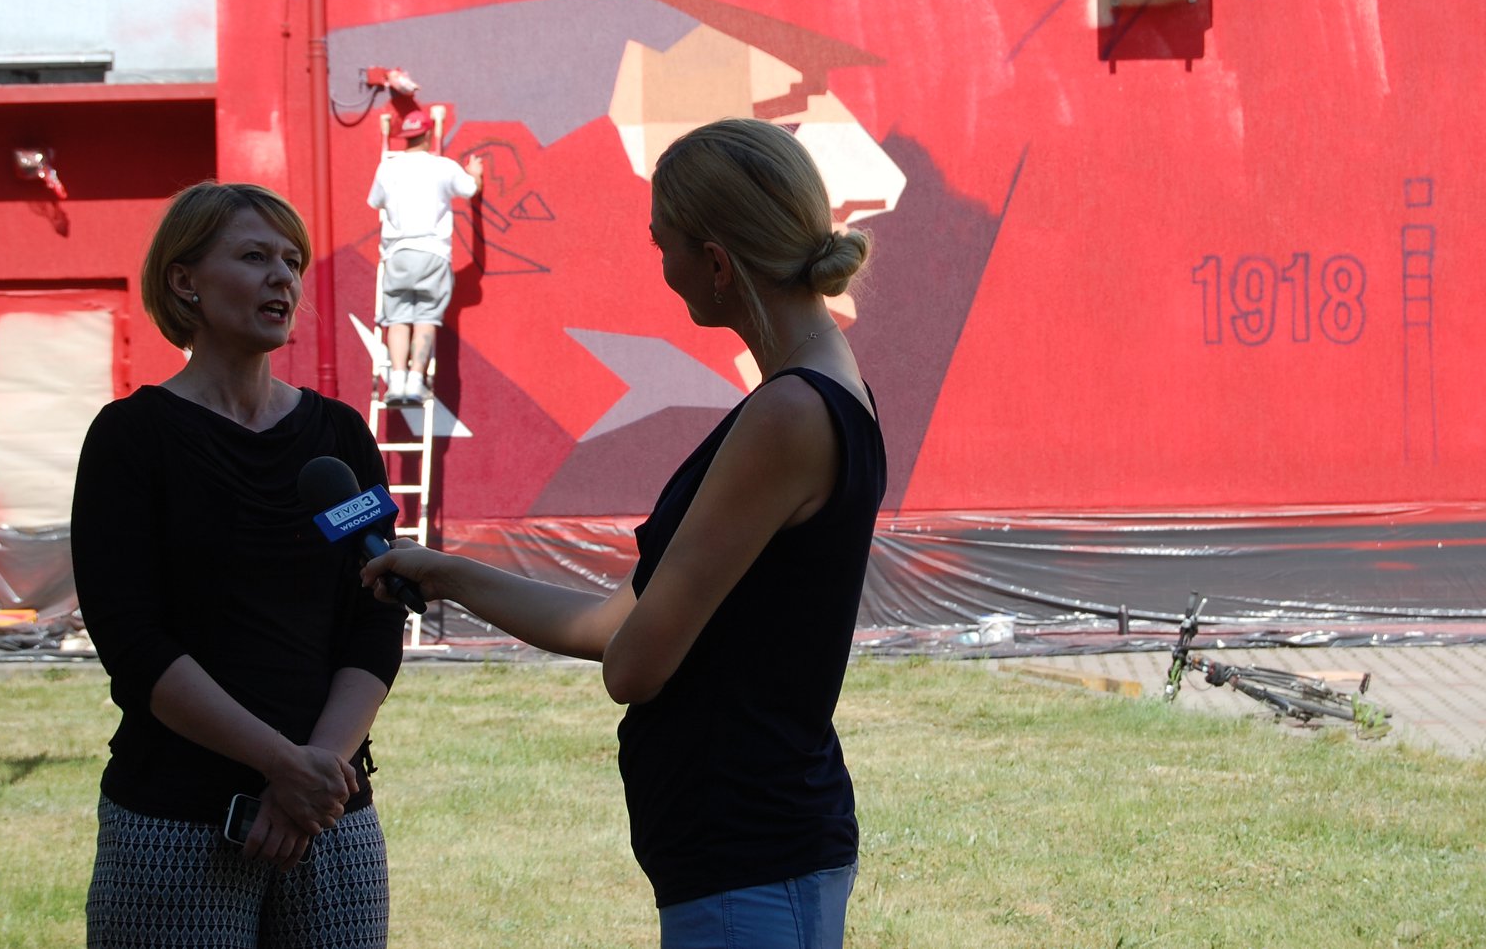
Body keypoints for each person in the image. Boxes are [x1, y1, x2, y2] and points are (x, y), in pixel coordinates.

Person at [364, 118, 885, 948]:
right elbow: (615, 621)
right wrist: (447, 573)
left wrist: (633, 640)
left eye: (662, 243)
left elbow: (633, 663)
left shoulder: (788, 413)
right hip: (757, 848)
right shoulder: (825, 386)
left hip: (747, 854)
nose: (663, 267)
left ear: (716, 262)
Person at [71, 181, 407, 948]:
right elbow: (133, 642)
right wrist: (279, 765)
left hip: (330, 817)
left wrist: (313, 771)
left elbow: (377, 611)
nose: (282, 277)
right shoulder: (131, 439)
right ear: (184, 280)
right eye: (255, 257)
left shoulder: (339, 439)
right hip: (175, 825)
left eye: (292, 261)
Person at [366, 109, 485, 405]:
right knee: (426, 318)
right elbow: (471, 189)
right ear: (429, 134)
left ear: (405, 136)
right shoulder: (442, 167)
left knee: (397, 318)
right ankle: (416, 382)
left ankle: (396, 382)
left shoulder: (388, 168)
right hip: (433, 252)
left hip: (398, 253)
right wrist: (474, 173)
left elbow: (375, 202)